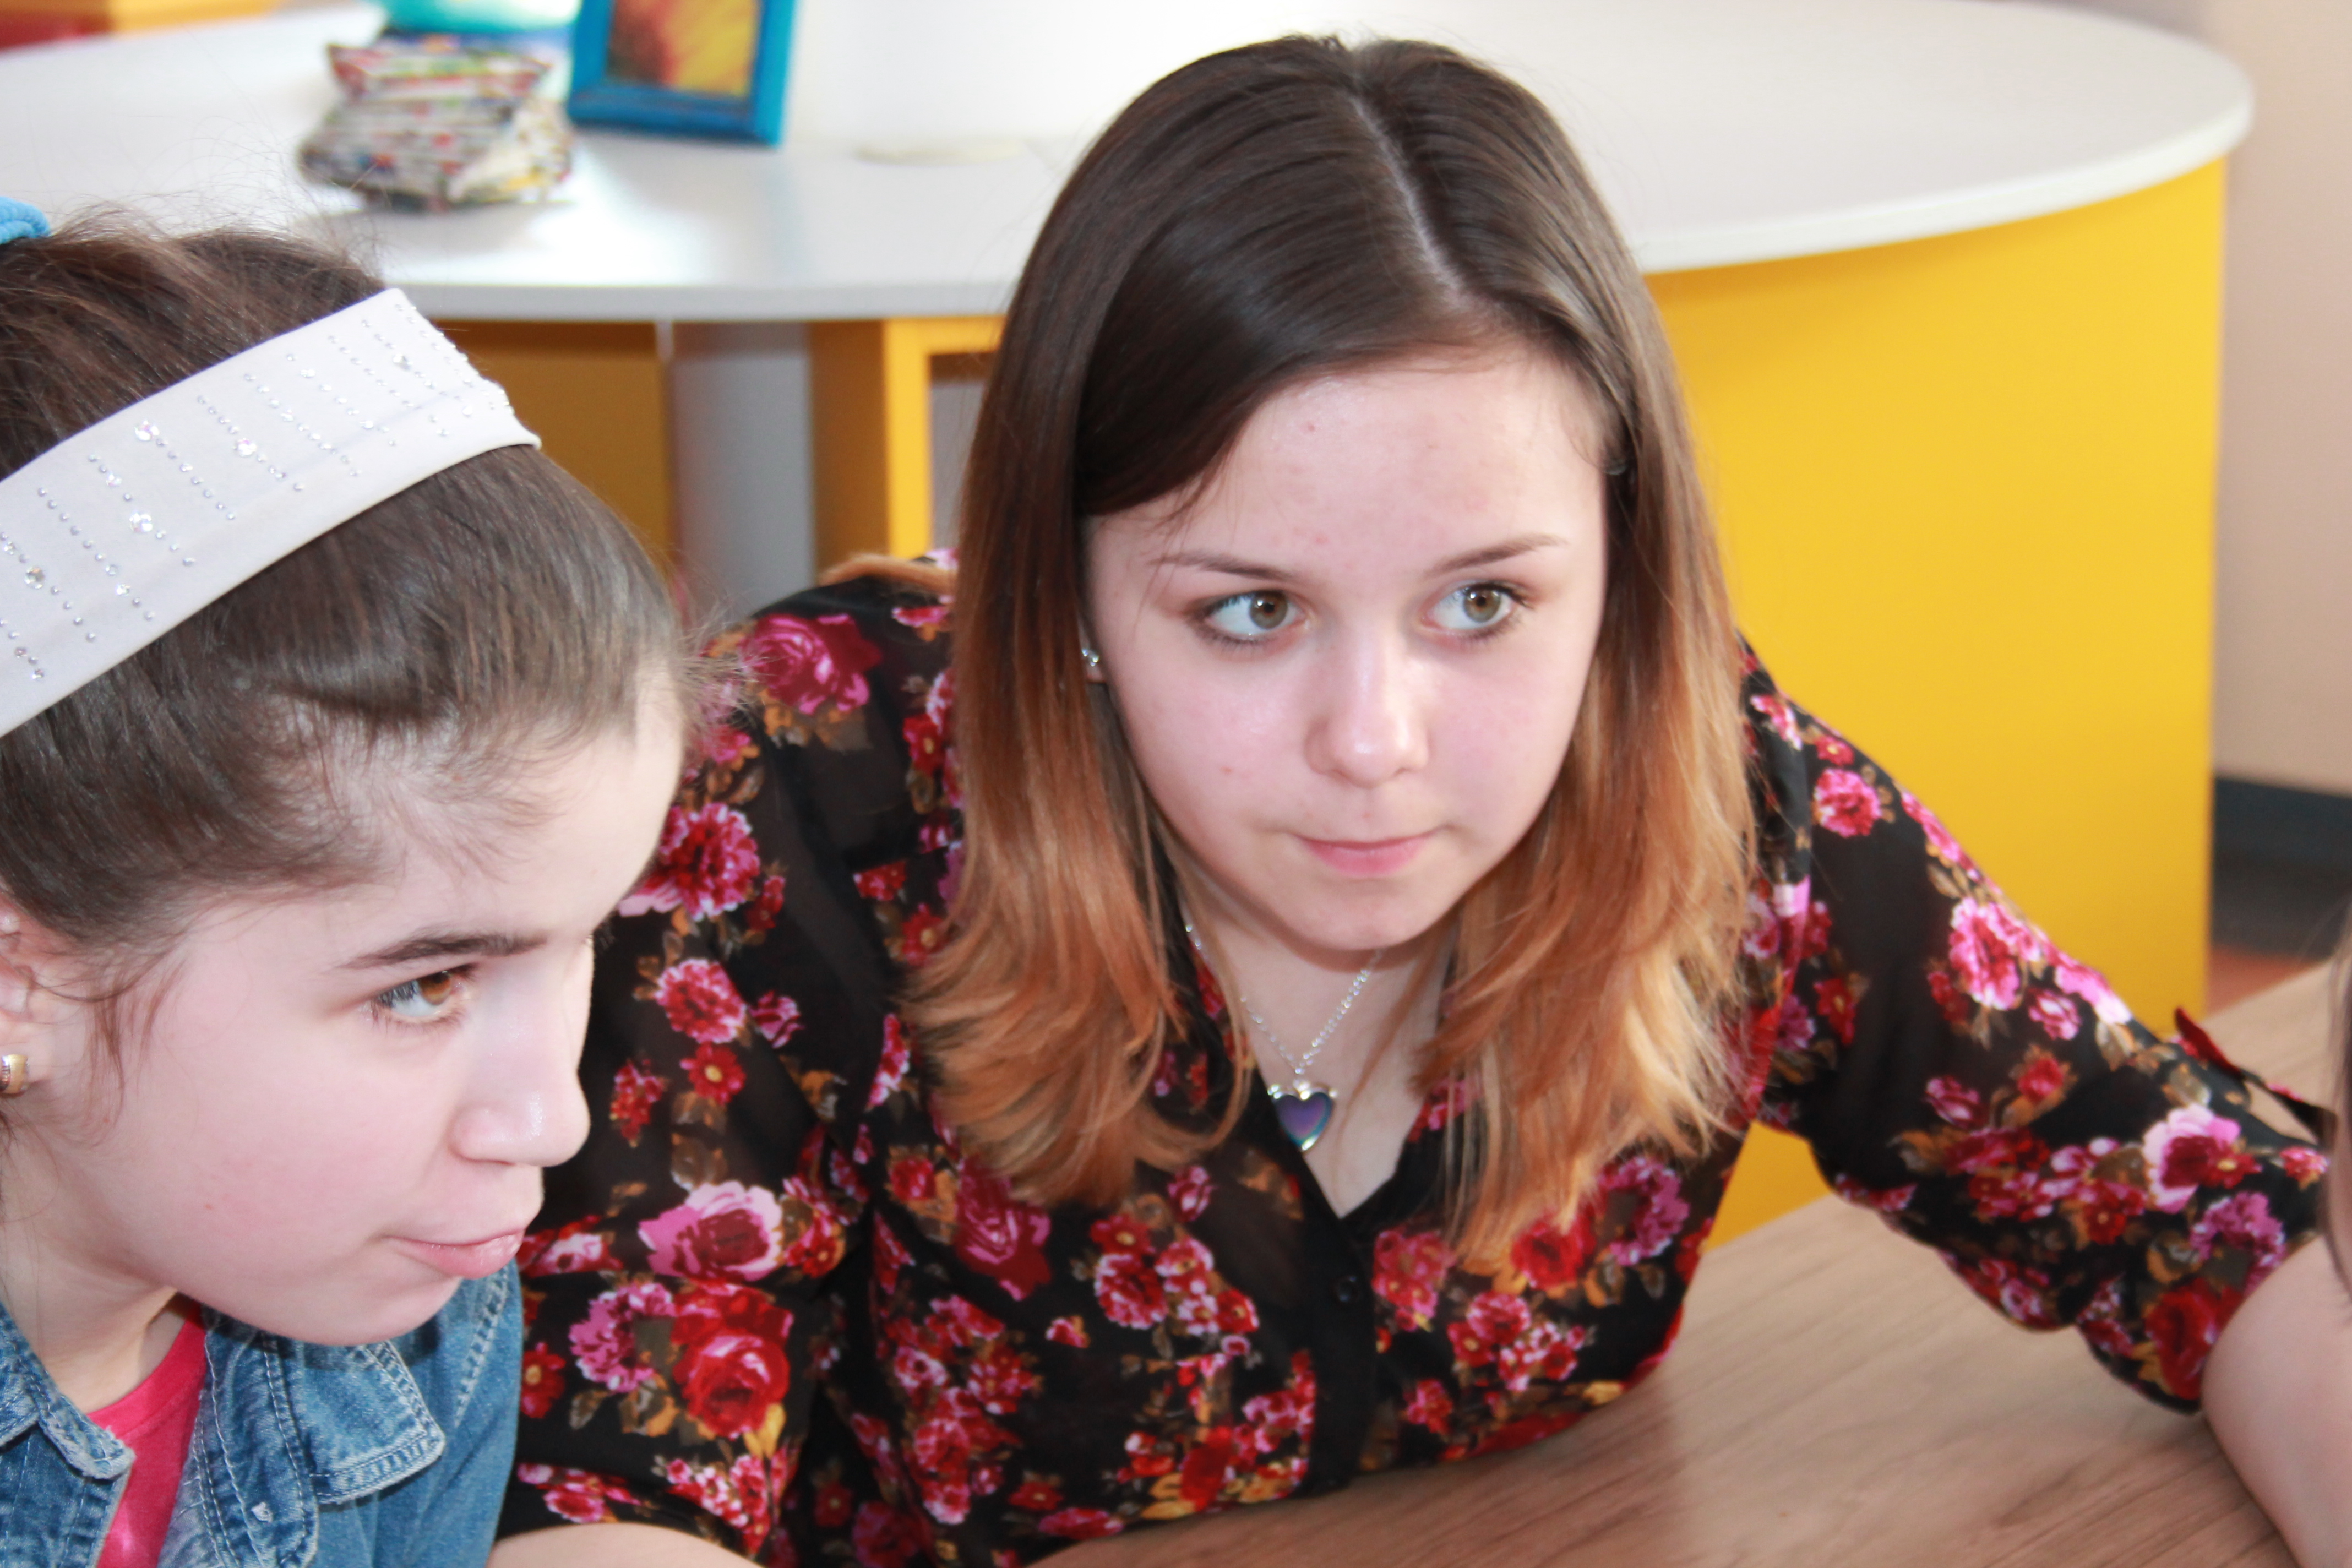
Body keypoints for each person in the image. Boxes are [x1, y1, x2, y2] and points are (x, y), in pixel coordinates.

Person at [494, 37, 2351, 1568]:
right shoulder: (810, 786)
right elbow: (608, 1497)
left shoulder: (1713, 791)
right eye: (1248, 611)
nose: (1374, 740)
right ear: (1062, 587)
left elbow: (2200, 1210)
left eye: (1483, 603)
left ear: (1618, 572)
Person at [0, 204, 690, 1567]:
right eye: (425, 985)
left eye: (588, 943)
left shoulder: (419, 1313)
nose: (552, 1121)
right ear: (21, 979)